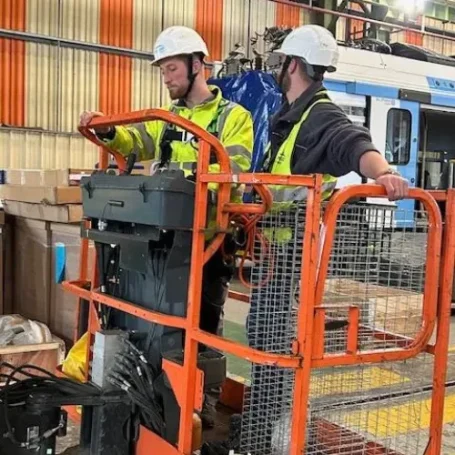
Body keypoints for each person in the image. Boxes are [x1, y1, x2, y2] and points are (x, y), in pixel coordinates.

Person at [241, 25, 410, 455]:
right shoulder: (292, 113)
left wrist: (384, 173)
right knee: (266, 345)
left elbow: (353, 142)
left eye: (281, 63)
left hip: (291, 259)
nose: (279, 70)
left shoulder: (320, 114)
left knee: (277, 350)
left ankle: (273, 436)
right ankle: (266, 431)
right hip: (273, 255)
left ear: (294, 65)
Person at [80, 26, 254, 428]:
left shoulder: (233, 118)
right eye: (162, 71)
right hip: (159, 238)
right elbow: (134, 141)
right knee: (147, 320)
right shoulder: (168, 118)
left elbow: (235, 173)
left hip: (206, 243)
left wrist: (188, 182)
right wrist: (109, 131)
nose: (167, 77)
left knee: (200, 327)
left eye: (172, 68)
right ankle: (147, 397)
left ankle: (198, 409)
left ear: (197, 66)